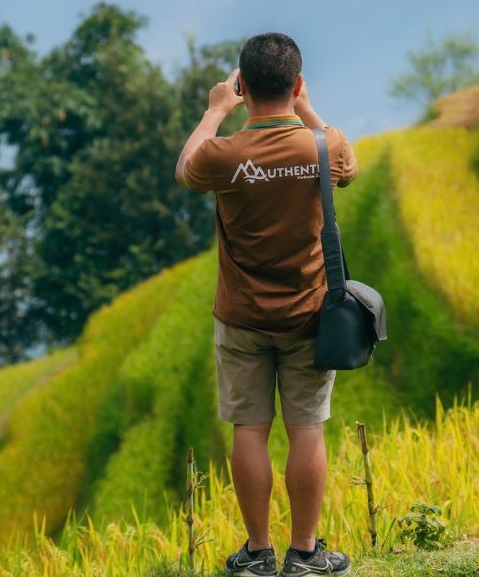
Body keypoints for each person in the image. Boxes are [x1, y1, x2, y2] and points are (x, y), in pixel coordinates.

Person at [176, 32, 358, 577]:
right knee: (307, 429)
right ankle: (305, 554)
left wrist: (213, 113)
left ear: (243, 87)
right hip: (309, 315)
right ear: (297, 83)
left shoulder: (225, 155)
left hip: (242, 318)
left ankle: (257, 555)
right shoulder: (324, 146)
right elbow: (343, 161)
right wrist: (304, 107)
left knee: (249, 430)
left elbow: (186, 167)